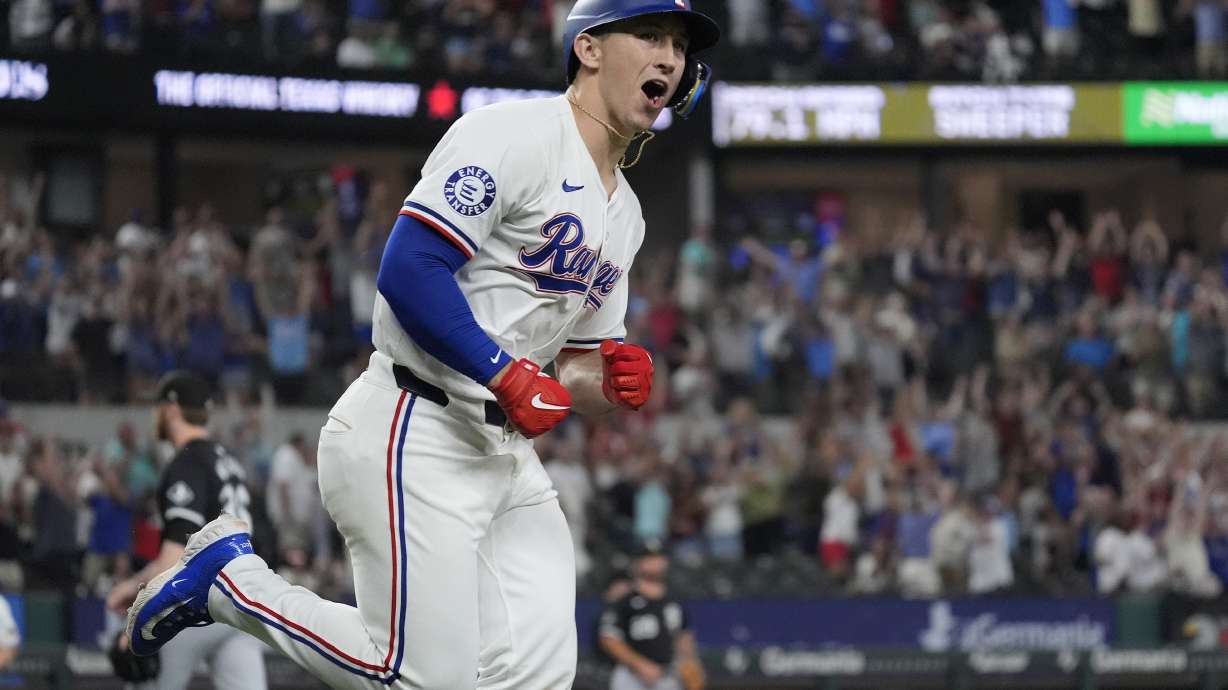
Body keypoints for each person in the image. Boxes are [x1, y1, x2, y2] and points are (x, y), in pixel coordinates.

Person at [123, 2, 721, 689]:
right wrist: (502, 372)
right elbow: (409, 268)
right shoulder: (514, 133)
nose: (670, 58)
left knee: (535, 678)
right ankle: (228, 583)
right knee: (413, 679)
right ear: (588, 48)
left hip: (505, 457)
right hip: (414, 424)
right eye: (649, 36)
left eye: (677, 45)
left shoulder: (627, 216)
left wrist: (609, 384)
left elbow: (578, 367)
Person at [106, 371, 267, 690]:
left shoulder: (188, 462)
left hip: (198, 604)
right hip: (243, 605)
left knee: (144, 671)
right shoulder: (228, 460)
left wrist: (135, 602)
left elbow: (174, 559)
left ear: (171, 409)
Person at [598, 544, 704, 690]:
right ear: (637, 563)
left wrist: (690, 661)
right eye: (648, 559)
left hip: (667, 674)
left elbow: (683, 636)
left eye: (658, 558)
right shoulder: (625, 601)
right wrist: (640, 665)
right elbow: (609, 638)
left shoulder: (674, 600)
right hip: (631, 675)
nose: (655, 563)